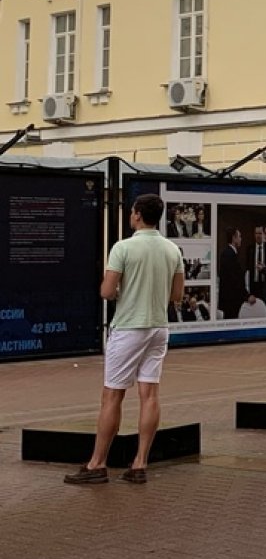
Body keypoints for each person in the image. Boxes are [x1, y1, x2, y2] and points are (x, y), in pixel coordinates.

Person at [65, 193, 184, 486]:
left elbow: (107, 291)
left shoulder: (123, 247)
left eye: (132, 211)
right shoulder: (172, 250)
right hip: (158, 328)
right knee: (150, 394)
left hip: (129, 327)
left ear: (137, 215)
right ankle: (140, 462)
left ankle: (97, 463)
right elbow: (177, 296)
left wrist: (121, 292)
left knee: (112, 395)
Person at [217, 227, 250, 320]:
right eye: (239, 236)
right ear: (233, 238)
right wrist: (246, 295)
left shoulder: (230, 253)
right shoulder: (228, 254)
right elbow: (234, 279)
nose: (241, 239)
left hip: (231, 300)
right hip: (231, 301)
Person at [249, 225, 266, 298]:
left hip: (265, 284)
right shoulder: (250, 249)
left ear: (264, 234)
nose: (258, 236)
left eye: (260, 233)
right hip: (254, 285)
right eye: (256, 233)